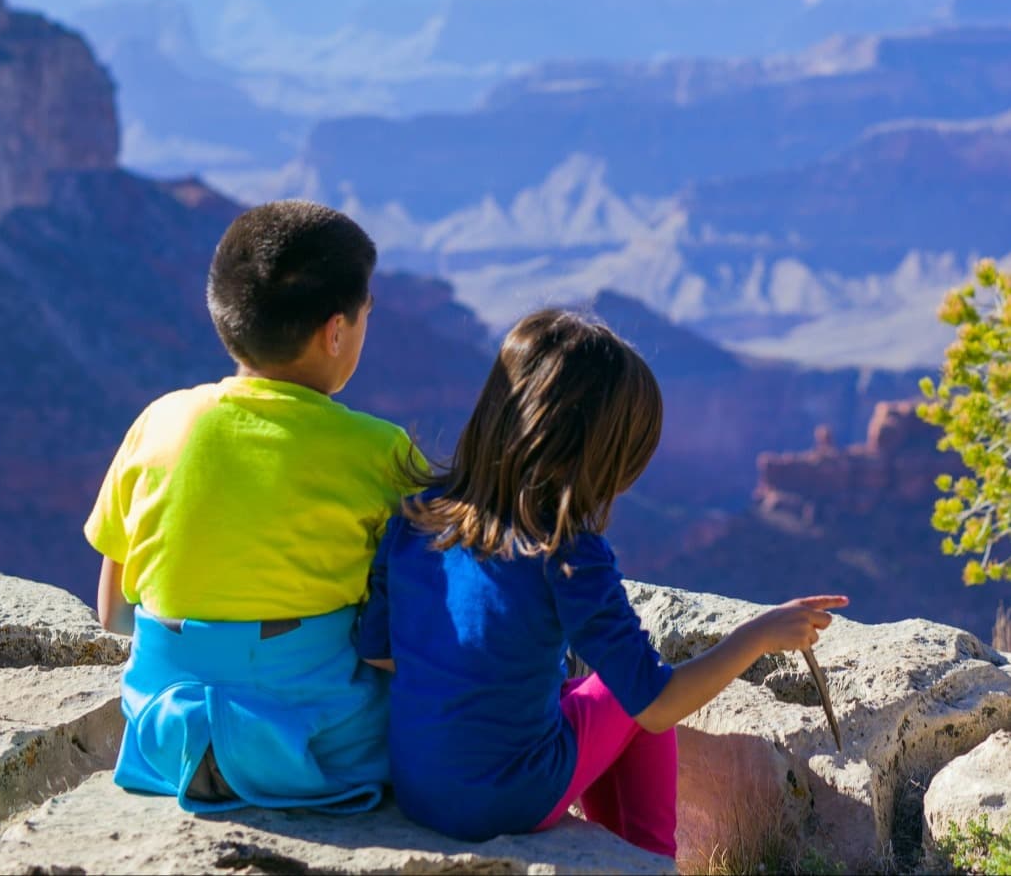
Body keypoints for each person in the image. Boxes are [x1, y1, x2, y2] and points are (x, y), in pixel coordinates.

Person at [356, 309, 847, 857]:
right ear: (596, 452)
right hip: (508, 799)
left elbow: (380, 654)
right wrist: (759, 634)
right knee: (628, 688)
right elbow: (656, 704)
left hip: (418, 788)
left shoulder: (417, 517)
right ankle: (650, 860)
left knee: (581, 692)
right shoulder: (566, 552)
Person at [85, 199, 416, 815]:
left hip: (167, 741)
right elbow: (412, 625)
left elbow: (112, 610)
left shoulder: (159, 421)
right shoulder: (382, 451)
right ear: (336, 330)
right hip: (321, 750)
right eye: (365, 315)